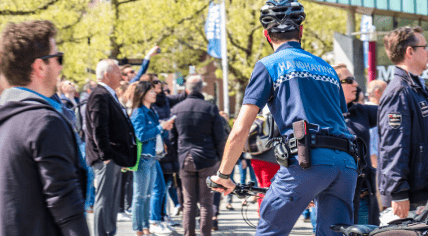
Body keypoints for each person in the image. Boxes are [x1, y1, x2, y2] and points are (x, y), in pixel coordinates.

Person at [209, 1, 359, 235]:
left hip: (307, 162)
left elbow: (240, 130)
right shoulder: (328, 69)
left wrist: (224, 176)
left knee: (270, 230)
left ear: (266, 35)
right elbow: (337, 118)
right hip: (346, 164)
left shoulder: (268, 65)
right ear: (300, 31)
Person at [0, 20, 90, 235]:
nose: (60, 66)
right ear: (39, 66)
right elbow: (66, 206)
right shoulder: (45, 122)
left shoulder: (7, 120)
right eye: (58, 58)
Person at [378, 26, 428, 219]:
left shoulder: (416, 89)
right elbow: (393, 146)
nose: (427, 51)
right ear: (410, 52)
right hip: (408, 199)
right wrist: (398, 192)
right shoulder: (399, 91)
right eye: (424, 46)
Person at [85, 59, 137, 236]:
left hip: (114, 157)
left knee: (112, 201)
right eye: (117, 72)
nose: (121, 76)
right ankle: (102, 233)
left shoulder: (109, 95)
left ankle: (109, 232)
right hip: (106, 159)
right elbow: (98, 127)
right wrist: (106, 155)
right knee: (105, 199)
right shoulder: (100, 95)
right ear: (107, 75)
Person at [170, 75, 225, 236]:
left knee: (189, 203)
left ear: (186, 89)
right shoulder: (210, 108)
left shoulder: (176, 109)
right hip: (207, 158)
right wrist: (220, 158)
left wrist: (177, 156)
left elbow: (172, 138)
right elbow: (220, 137)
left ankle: (189, 234)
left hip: (184, 158)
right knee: (206, 202)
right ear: (201, 89)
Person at [333, 64, 380, 225]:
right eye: (349, 80)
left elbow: (394, 112)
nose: (356, 84)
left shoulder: (361, 111)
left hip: (363, 195)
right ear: (334, 84)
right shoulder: (322, 114)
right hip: (333, 197)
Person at [128, 81, 175, 236]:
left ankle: (146, 227)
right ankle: (138, 229)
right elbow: (141, 135)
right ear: (142, 94)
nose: (154, 93)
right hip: (143, 158)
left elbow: (155, 133)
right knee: (140, 196)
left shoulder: (152, 111)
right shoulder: (138, 112)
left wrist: (164, 127)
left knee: (148, 195)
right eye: (151, 92)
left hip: (153, 157)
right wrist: (161, 127)